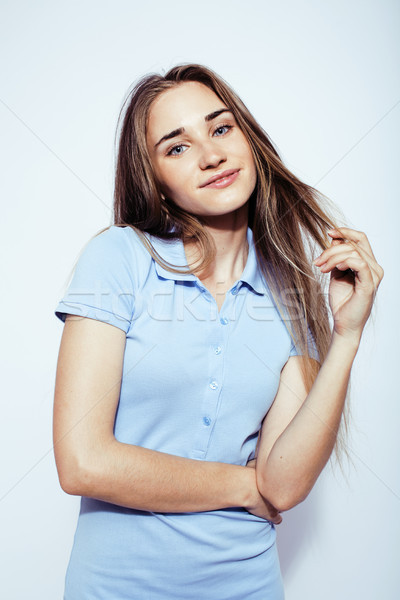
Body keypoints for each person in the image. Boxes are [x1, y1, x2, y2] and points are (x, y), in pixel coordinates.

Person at [53, 63, 383, 599]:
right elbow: (82, 461)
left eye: (221, 128)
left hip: (246, 584)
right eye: (176, 147)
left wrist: (345, 336)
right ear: (154, 178)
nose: (211, 155)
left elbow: (284, 484)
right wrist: (241, 484)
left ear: (248, 141)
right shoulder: (117, 259)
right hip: (117, 587)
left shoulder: (291, 293)